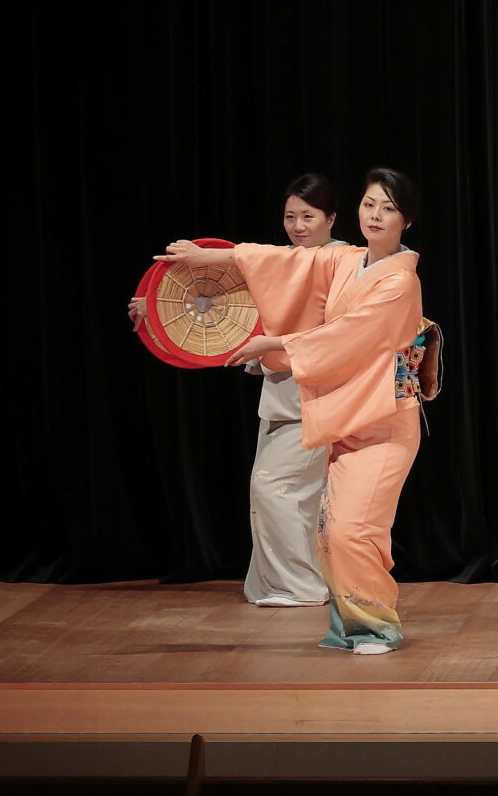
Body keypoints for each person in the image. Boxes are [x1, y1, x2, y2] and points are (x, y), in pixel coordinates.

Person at [157, 168, 432, 654]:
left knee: (354, 529)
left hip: (385, 421)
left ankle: (376, 628)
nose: (375, 215)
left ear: (406, 221)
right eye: (370, 204)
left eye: (388, 208)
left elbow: (345, 337)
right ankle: (352, 626)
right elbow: (285, 264)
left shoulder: (399, 283)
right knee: (331, 530)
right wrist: (209, 257)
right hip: (348, 418)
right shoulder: (347, 260)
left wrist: (276, 342)